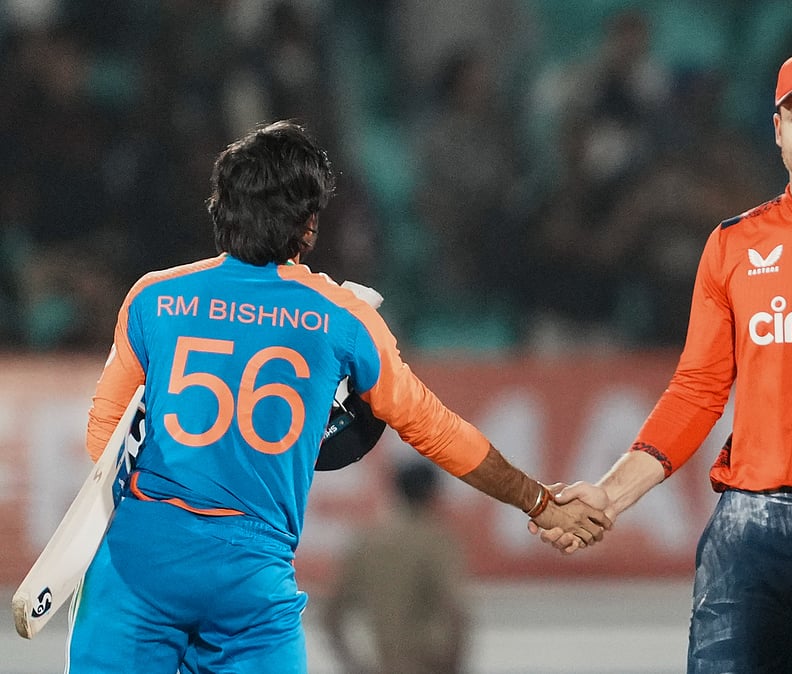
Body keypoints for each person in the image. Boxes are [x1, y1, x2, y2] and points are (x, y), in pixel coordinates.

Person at [69, 120, 609, 673]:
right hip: (250, 582)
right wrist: (539, 502)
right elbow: (439, 431)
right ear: (307, 226)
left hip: (140, 564)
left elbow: (102, 439)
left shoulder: (153, 298)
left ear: (221, 210)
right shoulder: (343, 319)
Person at [535, 47, 792, 673]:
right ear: (777, 129)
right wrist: (609, 496)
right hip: (748, 529)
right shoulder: (733, 245)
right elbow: (698, 390)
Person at [324, 458, 467, 673]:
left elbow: (331, 615)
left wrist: (354, 665)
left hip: (383, 665)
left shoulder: (367, 542)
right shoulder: (435, 542)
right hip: (427, 665)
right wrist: (453, 665)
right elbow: (454, 612)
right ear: (433, 494)